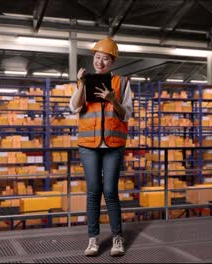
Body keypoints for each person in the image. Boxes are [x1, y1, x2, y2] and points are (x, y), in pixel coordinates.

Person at [69, 37, 133, 257]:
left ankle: (117, 238)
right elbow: (74, 107)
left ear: (112, 61)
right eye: (97, 57)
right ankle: (93, 240)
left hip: (113, 145)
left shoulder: (122, 83)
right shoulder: (84, 80)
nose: (100, 62)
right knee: (93, 191)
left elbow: (127, 115)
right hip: (89, 145)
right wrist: (80, 83)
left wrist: (113, 100)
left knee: (110, 192)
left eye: (105, 59)